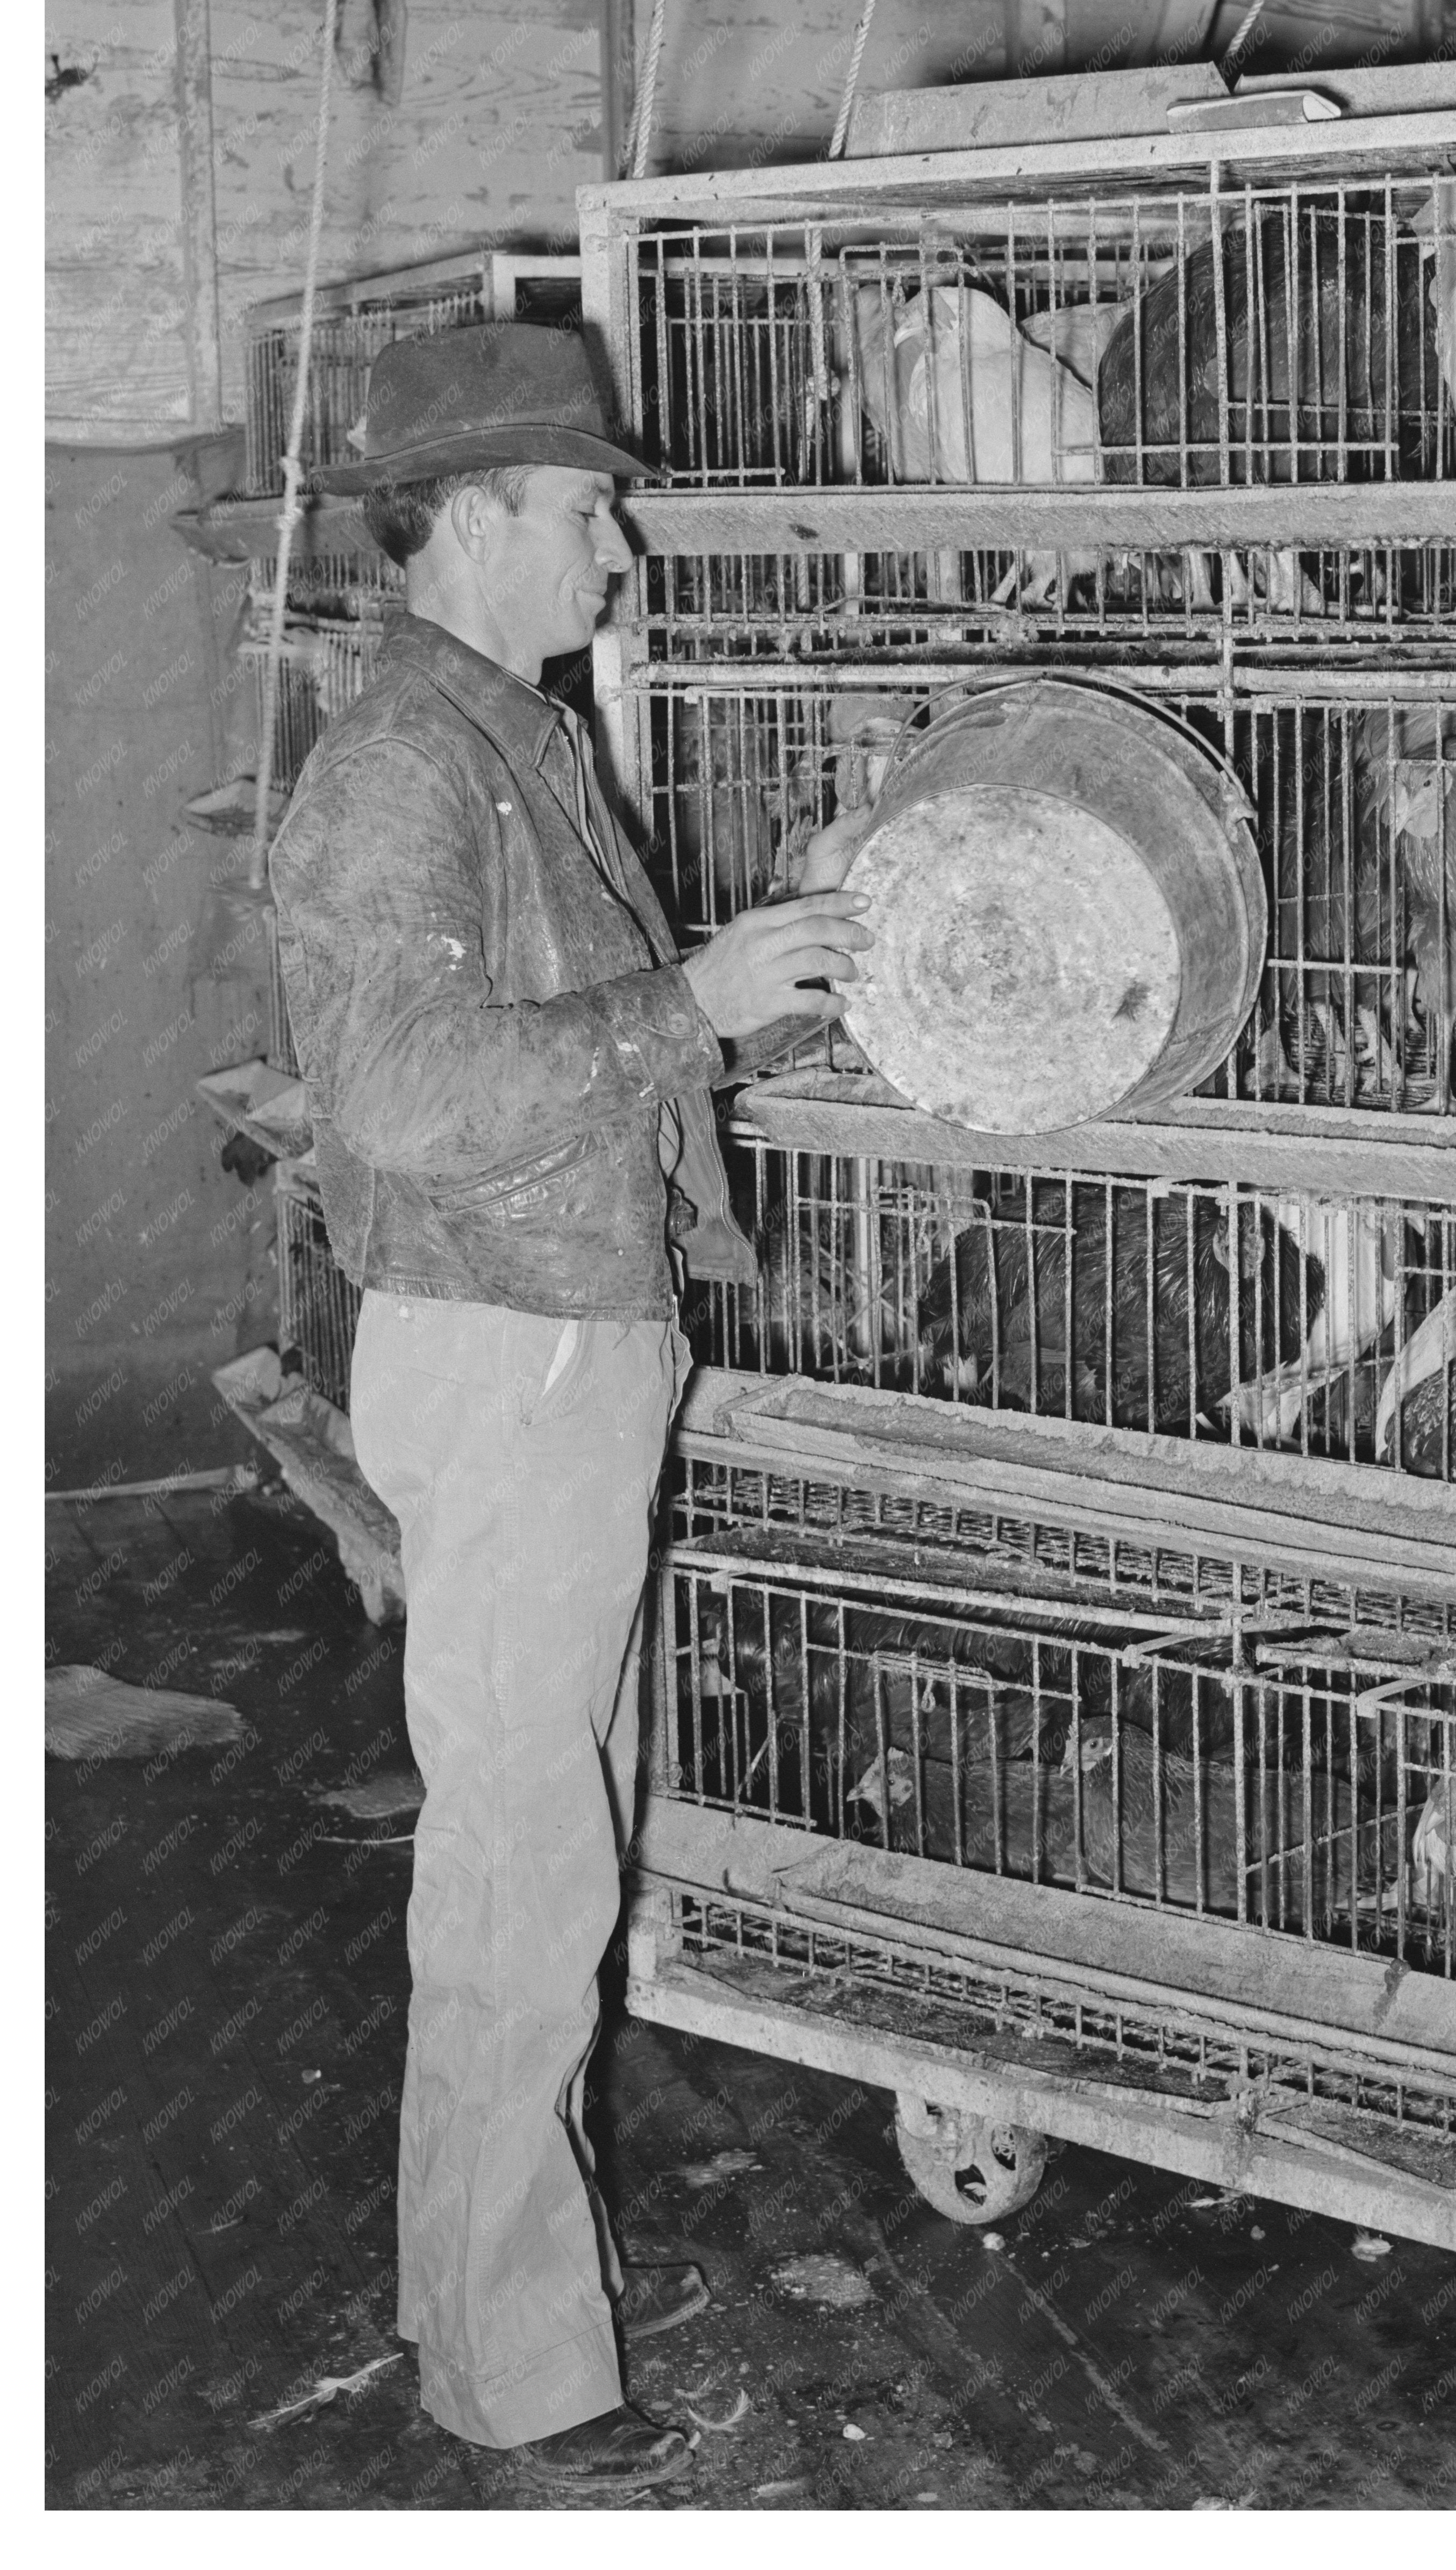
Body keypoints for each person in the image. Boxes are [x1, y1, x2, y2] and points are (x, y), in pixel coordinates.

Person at [268, 322, 868, 2492]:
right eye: (587, 506)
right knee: (521, 1868)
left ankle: (482, 2289)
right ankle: (512, 2372)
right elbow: (405, 1093)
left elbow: (607, 1047)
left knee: (552, 1841)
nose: (619, 542)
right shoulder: (403, 764)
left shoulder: (506, 731)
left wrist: (791, 991)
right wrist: (698, 999)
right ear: (478, 519)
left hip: (568, 1327)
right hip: (503, 1338)